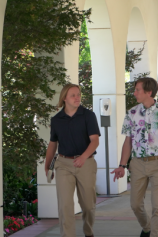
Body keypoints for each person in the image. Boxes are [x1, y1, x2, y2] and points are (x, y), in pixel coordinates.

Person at [111, 77, 158, 237]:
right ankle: (147, 227)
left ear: (149, 92)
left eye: (137, 90)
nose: (134, 93)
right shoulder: (131, 113)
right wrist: (122, 165)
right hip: (137, 164)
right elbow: (127, 142)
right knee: (135, 204)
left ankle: (156, 234)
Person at [44, 84, 101, 237]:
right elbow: (52, 144)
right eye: (73, 95)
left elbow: (95, 141)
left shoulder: (88, 115)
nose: (77, 97)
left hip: (86, 163)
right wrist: (47, 166)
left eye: (78, 94)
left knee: (88, 206)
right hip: (63, 164)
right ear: (64, 98)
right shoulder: (56, 120)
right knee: (65, 206)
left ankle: (88, 232)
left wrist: (83, 157)